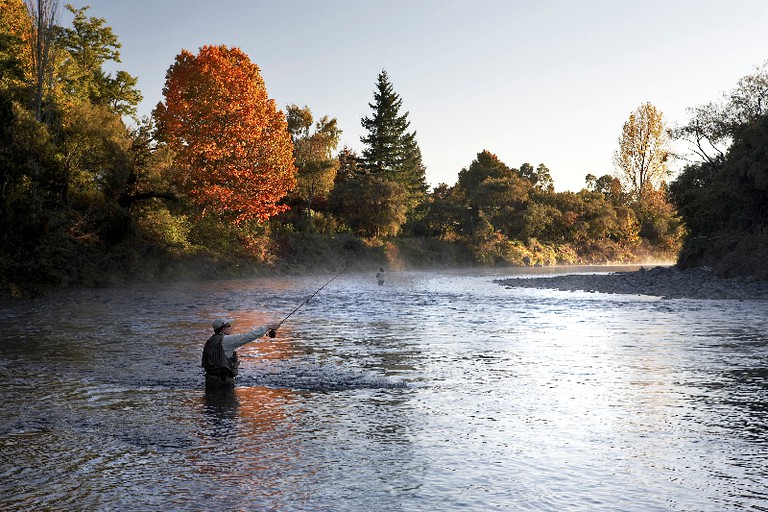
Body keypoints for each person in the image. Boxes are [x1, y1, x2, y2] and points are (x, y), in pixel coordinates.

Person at [202, 318, 280, 386]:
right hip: (223, 383)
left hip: (209, 381)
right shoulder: (226, 340)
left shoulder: (210, 341)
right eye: (228, 326)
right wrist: (268, 327)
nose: (230, 328)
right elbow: (248, 336)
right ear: (223, 329)